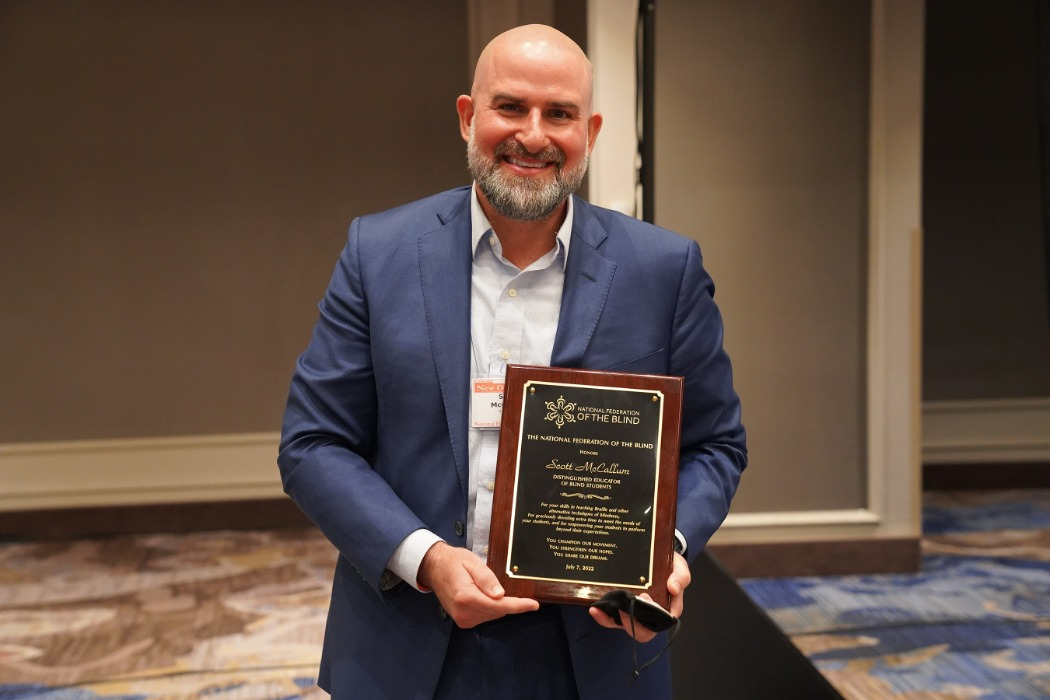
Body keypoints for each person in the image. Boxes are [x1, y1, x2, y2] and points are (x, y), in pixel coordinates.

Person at [278, 23, 746, 700]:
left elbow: (717, 445)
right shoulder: (378, 254)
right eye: (510, 107)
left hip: (598, 648)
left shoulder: (663, 271)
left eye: (559, 114)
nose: (533, 135)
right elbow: (312, 445)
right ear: (468, 116)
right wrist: (428, 559)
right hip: (410, 642)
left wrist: (657, 556)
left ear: (591, 130)